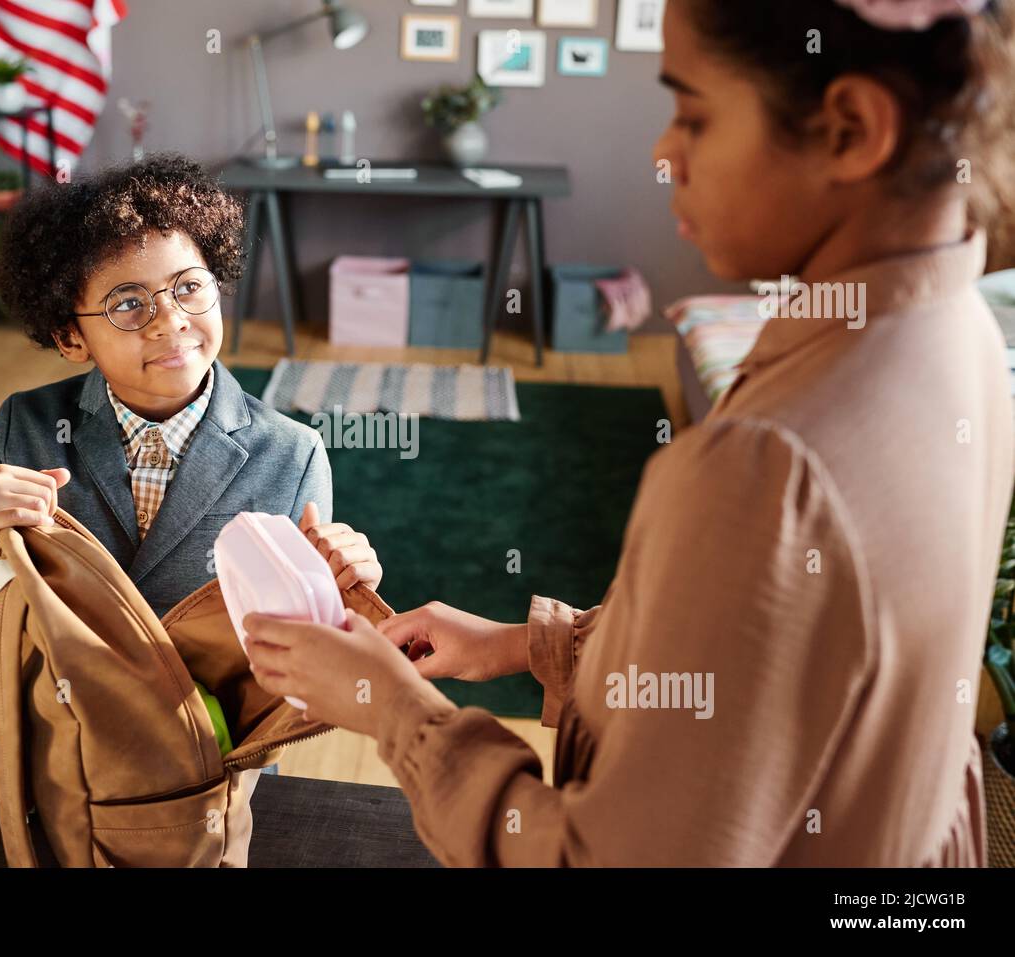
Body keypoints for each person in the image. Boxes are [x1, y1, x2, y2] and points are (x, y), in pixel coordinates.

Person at [242, 0, 1015, 865]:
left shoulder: (765, 467)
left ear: (850, 128)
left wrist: (392, 709)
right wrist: (526, 645)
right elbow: (769, 659)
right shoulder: (961, 327)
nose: (662, 151)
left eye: (693, 112)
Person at [0, 154, 382, 682]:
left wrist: (341, 595)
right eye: (128, 304)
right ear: (71, 338)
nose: (171, 321)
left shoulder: (292, 456)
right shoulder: (25, 428)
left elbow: (310, 668)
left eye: (188, 287)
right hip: (65, 743)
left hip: (224, 749)